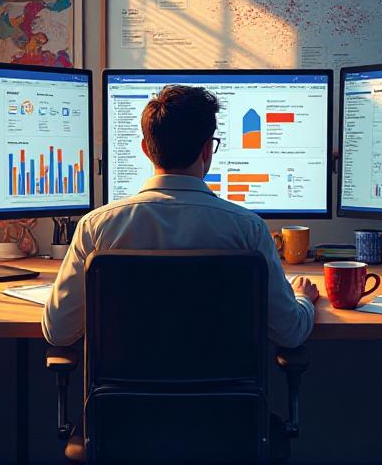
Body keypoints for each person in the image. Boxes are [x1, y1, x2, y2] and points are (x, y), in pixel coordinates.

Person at [42, 85, 319, 348]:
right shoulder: (248, 230)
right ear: (206, 149)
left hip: (125, 397)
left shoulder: (96, 228)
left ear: (146, 149)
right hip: (223, 396)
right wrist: (303, 299)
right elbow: (289, 332)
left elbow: (58, 332)